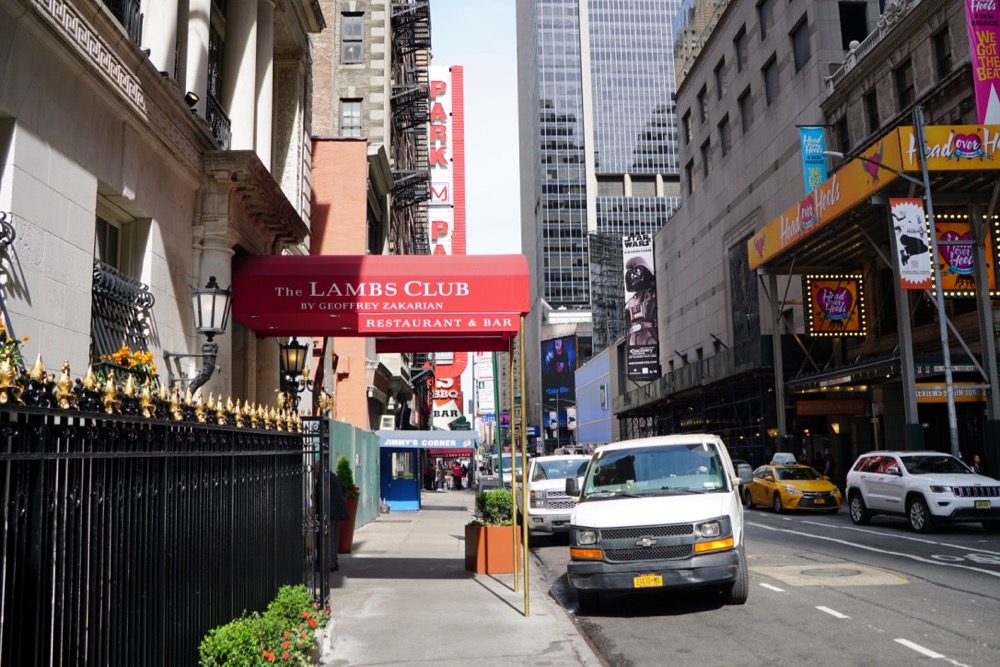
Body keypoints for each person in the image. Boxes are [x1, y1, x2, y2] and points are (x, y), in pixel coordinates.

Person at [624, 255, 658, 347]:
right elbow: (627, 325)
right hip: (633, 339)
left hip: (649, 335)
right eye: (631, 274)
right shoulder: (629, 302)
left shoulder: (654, 294)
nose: (634, 276)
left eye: (637, 272)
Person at [329, 469, 350, 572]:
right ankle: (334, 561)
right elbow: (345, 489)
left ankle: (331, 564)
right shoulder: (334, 476)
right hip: (337, 512)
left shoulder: (324, 479)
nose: (314, 472)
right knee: (334, 537)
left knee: (329, 539)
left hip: (330, 513)